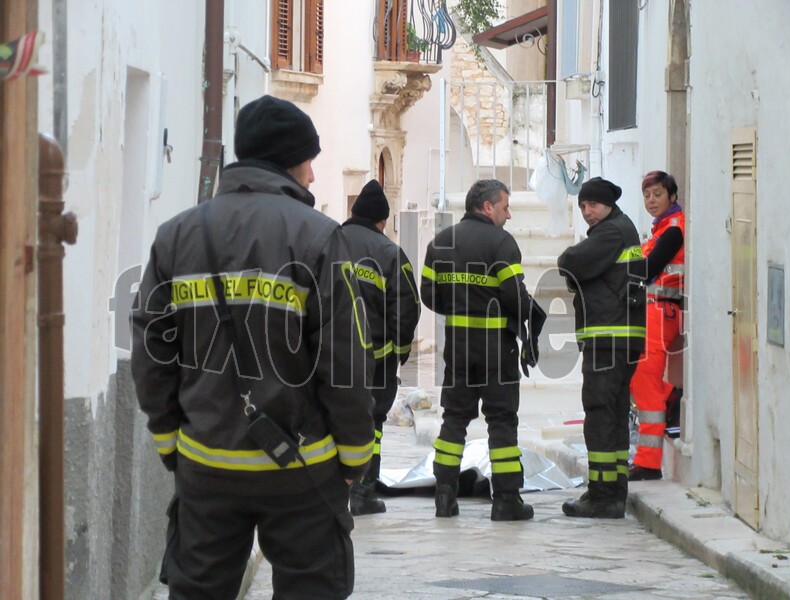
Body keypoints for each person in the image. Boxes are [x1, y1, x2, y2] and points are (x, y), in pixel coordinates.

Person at [130, 94, 375, 600]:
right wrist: (353, 458)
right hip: (302, 469)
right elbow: (345, 361)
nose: (312, 175)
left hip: (206, 464)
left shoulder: (176, 235)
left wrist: (170, 439)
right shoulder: (321, 238)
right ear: (293, 160)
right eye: (310, 161)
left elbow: (151, 350)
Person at [421, 179, 536, 522]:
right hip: (496, 350)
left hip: (457, 348)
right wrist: (525, 312)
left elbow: (428, 294)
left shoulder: (441, 241)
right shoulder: (501, 242)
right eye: (505, 207)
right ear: (487, 207)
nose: (509, 214)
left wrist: (458, 309)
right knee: (501, 420)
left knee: (454, 419)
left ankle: (444, 495)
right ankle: (505, 500)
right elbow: (516, 296)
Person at [557, 176, 646, 518]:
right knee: (613, 412)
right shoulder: (622, 229)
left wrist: (571, 264)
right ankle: (612, 491)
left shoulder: (611, 232)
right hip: (621, 339)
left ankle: (603, 495)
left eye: (592, 204)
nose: (587, 212)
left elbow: (570, 262)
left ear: (608, 204)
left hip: (609, 338)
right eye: (582, 206)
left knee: (599, 414)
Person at [341, 179, 421, 515]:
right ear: (382, 221)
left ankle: (328, 493)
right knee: (371, 424)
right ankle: (362, 493)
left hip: (327, 356)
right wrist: (400, 350)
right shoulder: (390, 253)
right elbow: (408, 307)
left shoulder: (327, 242)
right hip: (375, 360)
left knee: (329, 420)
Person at [629, 170, 685, 481]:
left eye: (658, 194)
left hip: (661, 312)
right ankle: (672, 398)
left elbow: (647, 271)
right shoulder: (662, 228)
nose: (651, 200)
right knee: (644, 379)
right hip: (656, 311)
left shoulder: (673, 230)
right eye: (647, 195)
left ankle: (648, 462)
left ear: (672, 197)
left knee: (644, 379)